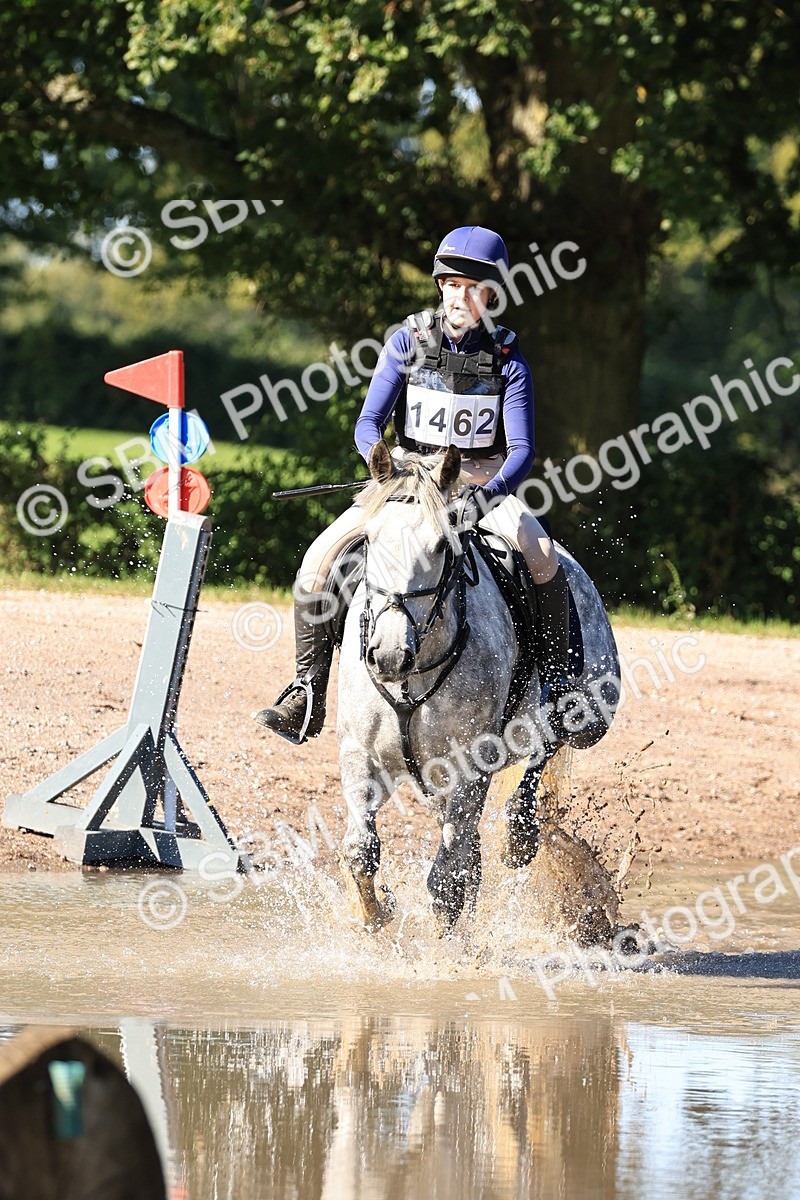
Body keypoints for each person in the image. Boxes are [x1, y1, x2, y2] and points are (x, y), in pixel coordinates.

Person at [253, 225, 571, 743]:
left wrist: (483, 498)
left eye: (472, 288)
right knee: (316, 562)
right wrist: (383, 466)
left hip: (478, 479)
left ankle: (559, 688)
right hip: (405, 478)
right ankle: (304, 693)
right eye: (451, 285)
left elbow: (522, 452)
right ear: (440, 286)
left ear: (492, 295)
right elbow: (366, 425)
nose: (459, 298)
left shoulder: (510, 362)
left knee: (540, 554)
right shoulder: (406, 342)